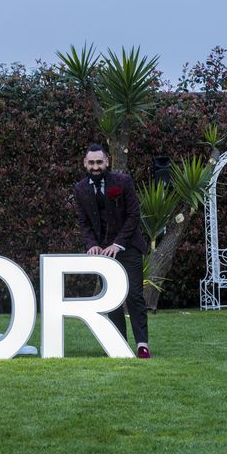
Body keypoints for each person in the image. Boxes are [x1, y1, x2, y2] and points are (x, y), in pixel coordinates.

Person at [74, 144, 151, 358]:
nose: (95, 166)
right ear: (85, 163)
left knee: (134, 296)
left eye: (99, 162)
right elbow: (84, 222)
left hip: (128, 247)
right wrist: (92, 245)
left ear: (107, 161)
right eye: (91, 162)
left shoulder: (123, 182)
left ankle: (142, 344)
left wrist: (117, 244)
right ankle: (120, 344)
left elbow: (133, 216)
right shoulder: (80, 188)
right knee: (112, 299)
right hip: (102, 254)